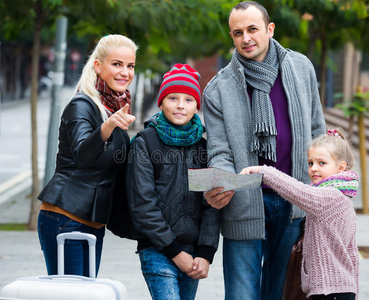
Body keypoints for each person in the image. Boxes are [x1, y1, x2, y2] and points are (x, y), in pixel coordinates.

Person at [202, 1, 326, 299]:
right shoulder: (218, 89)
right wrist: (221, 181)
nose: (245, 38)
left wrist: (324, 187)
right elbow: (219, 150)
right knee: (242, 294)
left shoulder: (300, 67)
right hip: (245, 203)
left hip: (294, 200)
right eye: (237, 32)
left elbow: (317, 132)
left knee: (281, 292)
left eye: (252, 29)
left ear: (269, 29)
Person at [37, 34, 137, 276]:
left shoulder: (114, 107)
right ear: (98, 66)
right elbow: (83, 154)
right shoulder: (82, 104)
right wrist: (107, 126)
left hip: (93, 222)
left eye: (130, 65)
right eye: (117, 64)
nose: (125, 72)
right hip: (66, 218)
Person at [126, 64, 220, 300]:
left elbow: (211, 205)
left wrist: (206, 253)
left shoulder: (204, 147)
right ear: (161, 103)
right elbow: (143, 205)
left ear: (197, 106)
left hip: (194, 255)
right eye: (173, 98)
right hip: (158, 250)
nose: (180, 105)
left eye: (189, 99)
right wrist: (175, 252)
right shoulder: (145, 143)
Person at [240, 129, 359, 300]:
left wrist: (265, 172)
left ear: (340, 167)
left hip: (329, 291)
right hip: (338, 289)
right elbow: (352, 253)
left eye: (322, 163)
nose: (314, 168)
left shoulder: (331, 197)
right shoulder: (343, 198)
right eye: (311, 163)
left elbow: (298, 191)